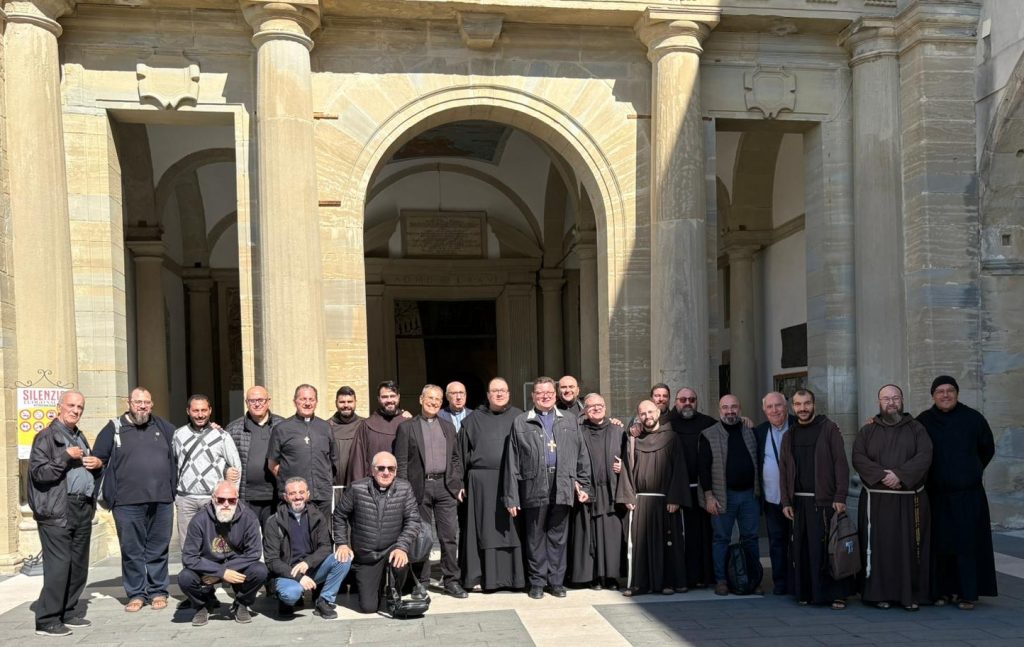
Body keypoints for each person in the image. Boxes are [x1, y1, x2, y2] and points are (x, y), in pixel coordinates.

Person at [504, 376, 593, 599]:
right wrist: (511, 496)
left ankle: (556, 582)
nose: (545, 396)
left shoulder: (569, 420)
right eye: (540, 393)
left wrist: (584, 485)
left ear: (555, 395)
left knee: (558, 537)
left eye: (549, 393)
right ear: (533, 396)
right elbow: (512, 461)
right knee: (535, 537)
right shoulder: (521, 422)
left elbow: (581, 454)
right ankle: (537, 582)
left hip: (562, 483)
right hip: (533, 485)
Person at [93, 387, 177, 612]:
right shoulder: (114, 428)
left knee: (158, 548)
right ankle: (136, 594)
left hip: (161, 500)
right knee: (132, 550)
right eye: (138, 402)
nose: (142, 406)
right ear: (128, 403)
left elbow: (185, 443)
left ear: (152, 404)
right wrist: (97, 466)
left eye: (146, 402)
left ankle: (158, 591)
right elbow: (99, 458)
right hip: (126, 503)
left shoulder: (163, 427)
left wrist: (212, 429)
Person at [917, 375, 997, 609]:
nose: (945, 395)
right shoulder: (924, 421)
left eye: (950, 390)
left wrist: (970, 471)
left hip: (967, 495)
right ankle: (942, 591)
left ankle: (966, 593)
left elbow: (987, 449)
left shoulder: (973, 418)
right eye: (940, 391)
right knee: (940, 545)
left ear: (957, 393)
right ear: (933, 395)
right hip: (936, 495)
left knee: (967, 544)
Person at [28, 390, 103, 637]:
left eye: (80, 407)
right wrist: (64, 456)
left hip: (82, 507)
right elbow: (39, 473)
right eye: (71, 405)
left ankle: (68, 611)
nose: (76, 410)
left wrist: (96, 465)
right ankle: (47, 619)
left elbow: (83, 471)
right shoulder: (45, 437)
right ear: (59, 407)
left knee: (79, 565)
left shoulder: (78, 435)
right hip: (58, 509)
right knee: (59, 565)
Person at [853, 384, 932, 611]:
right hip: (877, 501)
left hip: (909, 500)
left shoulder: (917, 429)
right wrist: (881, 476)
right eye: (886, 398)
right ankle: (879, 594)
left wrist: (900, 475)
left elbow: (925, 455)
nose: (891, 402)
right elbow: (858, 457)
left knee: (909, 548)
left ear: (902, 400)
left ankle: (910, 595)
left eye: (895, 398)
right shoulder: (867, 430)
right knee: (879, 549)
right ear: (879, 402)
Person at [780, 389, 855, 609]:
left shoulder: (829, 429)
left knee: (827, 550)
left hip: (825, 501)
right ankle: (807, 593)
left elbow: (841, 464)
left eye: (807, 403)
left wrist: (840, 495)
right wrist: (786, 501)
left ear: (814, 405)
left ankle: (837, 594)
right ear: (793, 407)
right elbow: (783, 470)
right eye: (798, 404)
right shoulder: (789, 435)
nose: (802, 408)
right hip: (799, 503)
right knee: (803, 550)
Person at [395, 385, 467, 598]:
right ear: (421, 399)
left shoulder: (448, 427)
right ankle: (421, 582)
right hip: (419, 487)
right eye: (430, 398)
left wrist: (456, 483)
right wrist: (405, 491)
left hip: (445, 487)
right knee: (421, 537)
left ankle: (451, 581)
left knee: (449, 536)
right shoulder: (407, 427)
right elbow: (401, 462)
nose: (434, 402)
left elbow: (455, 458)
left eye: (437, 399)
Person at [456, 377, 525, 592]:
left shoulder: (520, 418)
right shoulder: (472, 420)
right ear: (487, 395)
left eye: (503, 390)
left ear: (509, 393)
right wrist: (460, 482)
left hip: (512, 482)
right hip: (481, 485)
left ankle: (515, 578)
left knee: (512, 530)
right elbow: (459, 455)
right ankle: (480, 577)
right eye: (495, 391)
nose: (499, 394)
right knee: (482, 530)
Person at [333, 451, 420, 614]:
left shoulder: (405, 488)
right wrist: (342, 543)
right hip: (367, 555)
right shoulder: (356, 488)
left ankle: (395, 591)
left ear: (396, 471)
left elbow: (413, 520)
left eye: (391, 469)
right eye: (381, 468)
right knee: (369, 608)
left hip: (392, 549)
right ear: (372, 470)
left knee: (400, 562)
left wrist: (402, 547)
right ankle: (377, 586)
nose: (386, 472)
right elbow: (339, 515)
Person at [616, 399, 688, 596]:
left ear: (658, 412)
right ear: (638, 416)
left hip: (666, 501)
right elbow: (626, 469)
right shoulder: (633, 440)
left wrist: (675, 498)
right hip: (640, 501)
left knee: (667, 544)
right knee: (640, 545)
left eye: (650, 412)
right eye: (643, 413)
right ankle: (639, 584)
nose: (647, 416)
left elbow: (679, 469)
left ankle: (667, 583)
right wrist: (628, 496)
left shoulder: (672, 438)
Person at [179, 481, 267, 626]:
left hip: (238, 567)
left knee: (260, 571)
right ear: (213, 499)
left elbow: (254, 553)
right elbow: (189, 557)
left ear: (237, 500)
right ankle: (202, 605)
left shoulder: (249, 518)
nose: (226, 504)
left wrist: (222, 572)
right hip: (207, 568)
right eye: (221, 500)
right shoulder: (199, 520)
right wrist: (220, 572)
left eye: (231, 500)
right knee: (185, 577)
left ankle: (241, 603)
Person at [698, 394, 760, 596]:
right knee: (721, 539)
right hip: (722, 496)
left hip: (749, 495)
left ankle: (753, 580)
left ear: (740, 409)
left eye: (734, 407)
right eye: (725, 407)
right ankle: (722, 580)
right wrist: (709, 496)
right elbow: (703, 469)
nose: (730, 411)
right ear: (719, 410)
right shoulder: (708, 434)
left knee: (750, 538)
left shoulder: (750, 431)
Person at [264, 477, 351, 620]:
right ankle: (286, 600)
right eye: (292, 493)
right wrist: (299, 577)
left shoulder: (317, 516)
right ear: (285, 497)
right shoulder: (274, 521)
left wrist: (308, 562)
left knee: (344, 558)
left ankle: (324, 600)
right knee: (291, 594)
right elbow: (272, 560)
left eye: (301, 492)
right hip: (287, 573)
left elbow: (326, 547)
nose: (297, 497)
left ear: (308, 494)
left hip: (312, 568)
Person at [571, 393, 626, 590]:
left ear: (605, 407)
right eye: (591, 406)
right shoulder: (578, 431)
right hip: (587, 490)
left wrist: (624, 466)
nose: (596, 408)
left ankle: (611, 577)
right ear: (585, 410)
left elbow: (629, 457)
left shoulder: (618, 430)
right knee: (589, 535)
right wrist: (576, 482)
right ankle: (593, 576)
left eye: (600, 405)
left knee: (611, 536)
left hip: (611, 490)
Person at [173, 394, 240, 545]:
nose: (200, 415)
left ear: (210, 410)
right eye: (195, 410)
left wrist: (231, 498)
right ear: (188, 411)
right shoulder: (178, 435)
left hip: (213, 499)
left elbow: (236, 467)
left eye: (204, 410)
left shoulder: (222, 435)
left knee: (214, 545)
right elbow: (174, 463)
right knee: (188, 545)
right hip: (186, 500)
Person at [667, 387, 717, 588]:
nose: (687, 403)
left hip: (703, 489)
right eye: (683, 399)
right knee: (682, 537)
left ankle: (705, 576)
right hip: (677, 490)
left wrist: (745, 420)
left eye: (692, 399)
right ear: (676, 402)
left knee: (703, 534)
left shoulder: (709, 423)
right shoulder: (667, 424)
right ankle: (683, 577)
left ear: (697, 402)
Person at [268, 384, 337, 519]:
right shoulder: (281, 429)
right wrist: (290, 482)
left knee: (322, 531)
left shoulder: (326, 427)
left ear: (316, 402)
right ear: (295, 402)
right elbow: (272, 464)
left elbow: (332, 460)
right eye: (303, 399)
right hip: (294, 497)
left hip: (321, 495)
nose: (307, 403)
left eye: (311, 399)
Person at [755, 391, 796, 596]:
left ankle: (798, 581)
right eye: (769, 407)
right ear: (764, 411)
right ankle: (780, 583)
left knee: (798, 541)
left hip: (797, 498)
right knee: (776, 542)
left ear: (786, 407)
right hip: (772, 498)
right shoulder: (759, 431)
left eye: (778, 405)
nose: (774, 410)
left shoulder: (798, 425)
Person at [226, 385, 284, 527]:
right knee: (249, 536)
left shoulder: (283, 426)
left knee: (274, 537)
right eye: (252, 401)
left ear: (268, 401)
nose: (257, 404)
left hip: (275, 496)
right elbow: (223, 459)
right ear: (246, 403)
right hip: (246, 497)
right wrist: (225, 470)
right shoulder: (234, 429)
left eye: (261, 400)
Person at [350, 381, 408, 481]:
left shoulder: (409, 424)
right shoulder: (367, 426)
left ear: (398, 397)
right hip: (373, 484)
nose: (389, 400)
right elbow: (358, 462)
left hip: (402, 485)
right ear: (378, 398)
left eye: (392, 396)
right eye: (384, 397)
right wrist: (359, 486)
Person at [328, 386, 362, 488]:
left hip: (358, 486)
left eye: (350, 401)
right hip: (333, 486)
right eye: (342, 402)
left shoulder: (364, 425)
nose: (346, 405)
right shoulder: (326, 427)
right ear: (336, 403)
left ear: (355, 402)